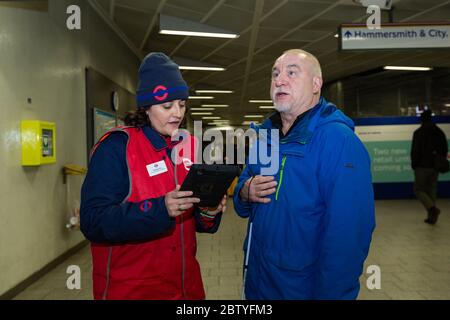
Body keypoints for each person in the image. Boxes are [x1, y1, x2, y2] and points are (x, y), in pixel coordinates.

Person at [80, 52, 226, 300]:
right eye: (167, 106)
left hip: (186, 287)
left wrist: (208, 210)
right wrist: (161, 209)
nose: (177, 113)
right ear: (146, 107)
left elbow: (196, 220)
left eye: (181, 103)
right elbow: (93, 221)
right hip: (133, 290)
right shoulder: (116, 147)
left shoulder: (189, 145)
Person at [233, 49, 375, 300]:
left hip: (303, 289)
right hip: (259, 283)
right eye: (275, 74)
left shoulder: (339, 142)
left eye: (292, 72)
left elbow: (348, 236)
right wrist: (244, 191)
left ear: (316, 84)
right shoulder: (266, 138)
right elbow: (242, 200)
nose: (279, 80)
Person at [411, 109, 448, 225]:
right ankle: (431, 217)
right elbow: (444, 149)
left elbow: (415, 151)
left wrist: (414, 164)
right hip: (435, 166)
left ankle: (432, 209)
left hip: (422, 166)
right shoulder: (439, 132)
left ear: (422, 119)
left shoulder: (418, 132)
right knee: (431, 190)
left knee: (419, 190)